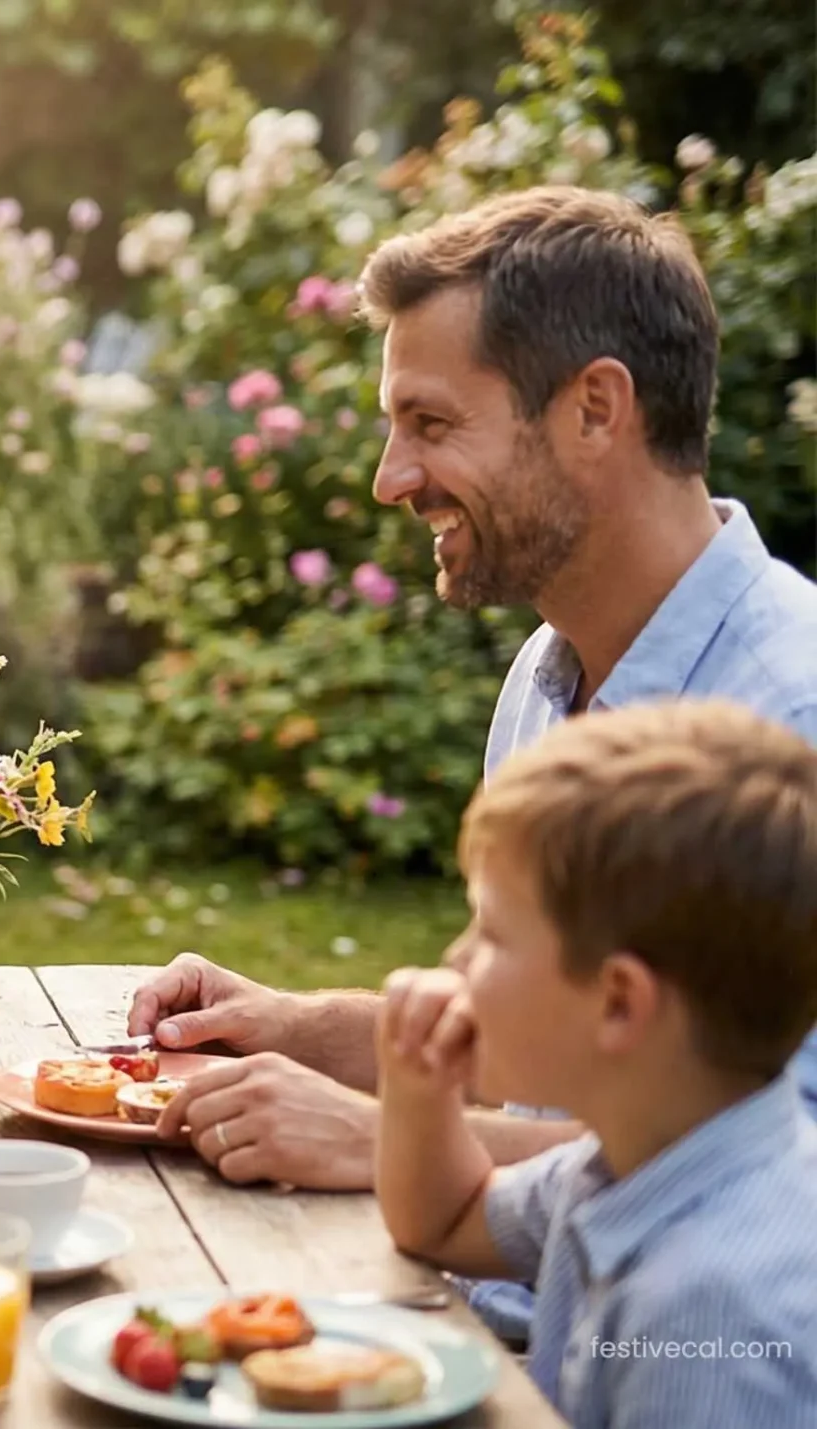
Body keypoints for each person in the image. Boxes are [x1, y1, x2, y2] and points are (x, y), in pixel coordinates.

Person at [129, 187, 817, 1192]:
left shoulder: (791, 717)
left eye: (430, 423)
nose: (390, 478)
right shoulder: (548, 674)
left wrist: (384, 1138)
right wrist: (301, 1027)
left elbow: (784, 1176)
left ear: (594, 409)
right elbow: (540, 1033)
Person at [375, 701, 817, 1427]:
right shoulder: (630, 1164)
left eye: (490, 932)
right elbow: (444, 1220)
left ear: (618, 1003)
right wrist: (419, 1090)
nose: (455, 960)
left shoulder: (708, 1311)